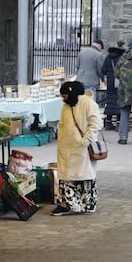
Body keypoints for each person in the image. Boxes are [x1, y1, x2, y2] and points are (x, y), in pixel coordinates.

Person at [52, 81, 102, 216]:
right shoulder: (66, 106)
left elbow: (96, 123)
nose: (63, 99)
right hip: (66, 147)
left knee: (84, 175)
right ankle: (66, 204)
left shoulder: (88, 103)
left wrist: (85, 141)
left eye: (65, 96)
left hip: (82, 147)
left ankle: (87, 204)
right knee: (65, 176)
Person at [101, 40, 126, 130]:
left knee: (110, 101)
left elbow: (103, 70)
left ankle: (108, 122)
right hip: (120, 80)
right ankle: (119, 123)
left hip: (110, 81)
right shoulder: (122, 57)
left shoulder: (108, 57)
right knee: (119, 102)